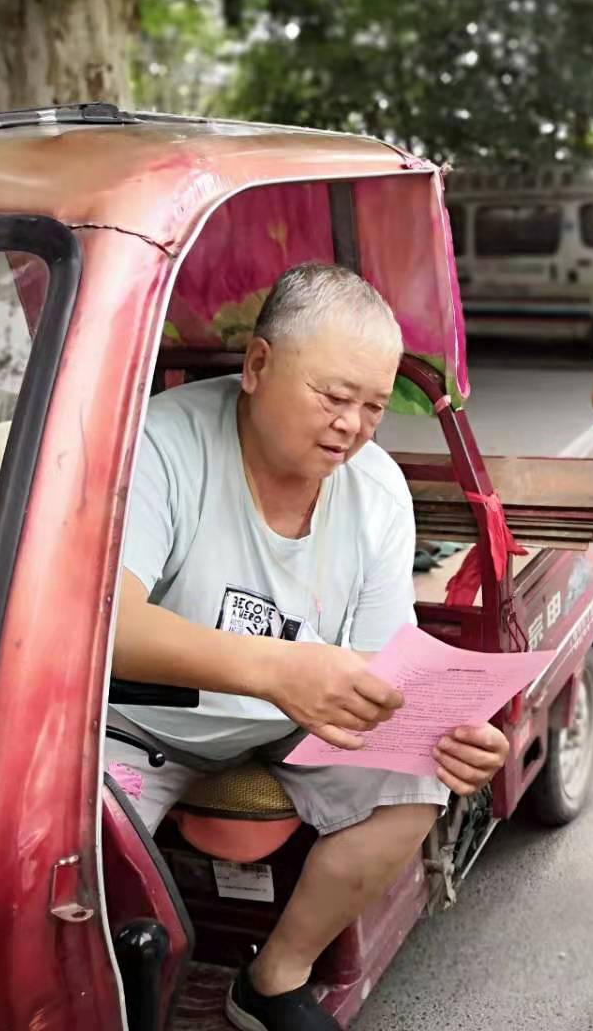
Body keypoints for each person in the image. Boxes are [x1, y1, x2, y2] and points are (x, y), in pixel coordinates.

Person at [107, 263, 510, 1031]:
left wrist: (450, 728)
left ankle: (274, 977)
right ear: (258, 365)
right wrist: (277, 670)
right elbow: (109, 626)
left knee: (417, 774)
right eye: (333, 396)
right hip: (139, 725)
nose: (352, 426)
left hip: (297, 719)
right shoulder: (161, 446)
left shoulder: (376, 490)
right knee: (53, 845)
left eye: (372, 406)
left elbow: (384, 665)